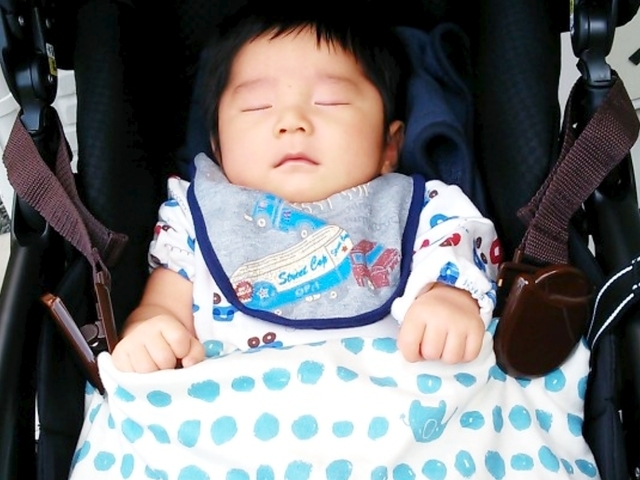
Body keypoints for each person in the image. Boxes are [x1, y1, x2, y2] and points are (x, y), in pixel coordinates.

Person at [110, 1, 500, 374]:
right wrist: (151, 332)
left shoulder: (424, 210)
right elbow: (160, 310)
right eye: (258, 106)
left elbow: (458, 260)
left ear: (390, 145)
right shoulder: (195, 218)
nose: (292, 122)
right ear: (218, 147)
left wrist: (449, 299)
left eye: (329, 102)